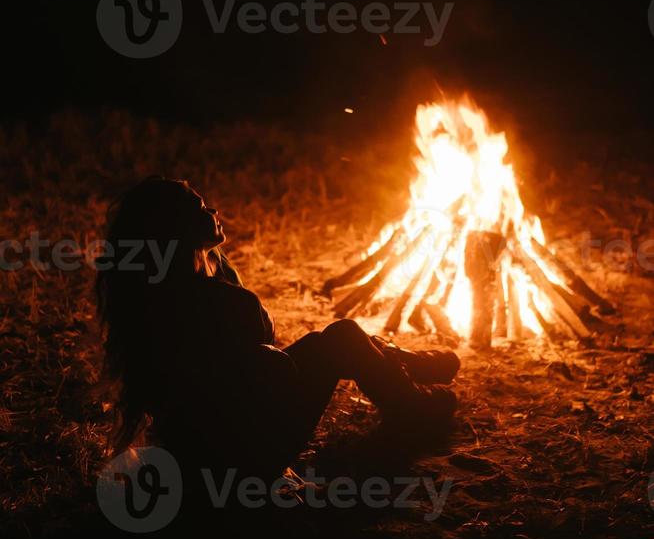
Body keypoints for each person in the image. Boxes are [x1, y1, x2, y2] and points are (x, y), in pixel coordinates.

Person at [96, 176, 459, 491]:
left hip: (214, 448)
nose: (213, 212)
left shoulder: (166, 294)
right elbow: (257, 371)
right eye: (201, 208)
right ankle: (412, 406)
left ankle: (409, 371)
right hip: (246, 452)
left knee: (331, 343)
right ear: (177, 228)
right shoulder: (209, 300)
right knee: (342, 338)